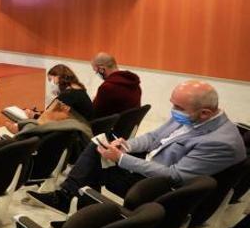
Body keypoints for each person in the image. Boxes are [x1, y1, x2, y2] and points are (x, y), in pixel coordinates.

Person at [28, 80, 246, 214]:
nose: (173, 111)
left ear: (205, 112)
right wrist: (126, 145)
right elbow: (153, 137)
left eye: (177, 107)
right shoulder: (192, 115)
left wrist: (121, 159)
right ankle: (69, 198)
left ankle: (72, 202)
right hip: (151, 166)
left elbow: (176, 175)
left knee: (98, 162)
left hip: (161, 188)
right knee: (99, 145)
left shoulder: (220, 142)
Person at [91, 52, 142, 118]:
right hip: (127, 126)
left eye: (96, 71)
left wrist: (94, 101)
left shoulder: (107, 88)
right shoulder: (134, 83)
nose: (97, 74)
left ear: (101, 69)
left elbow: (94, 113)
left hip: (112, 126)